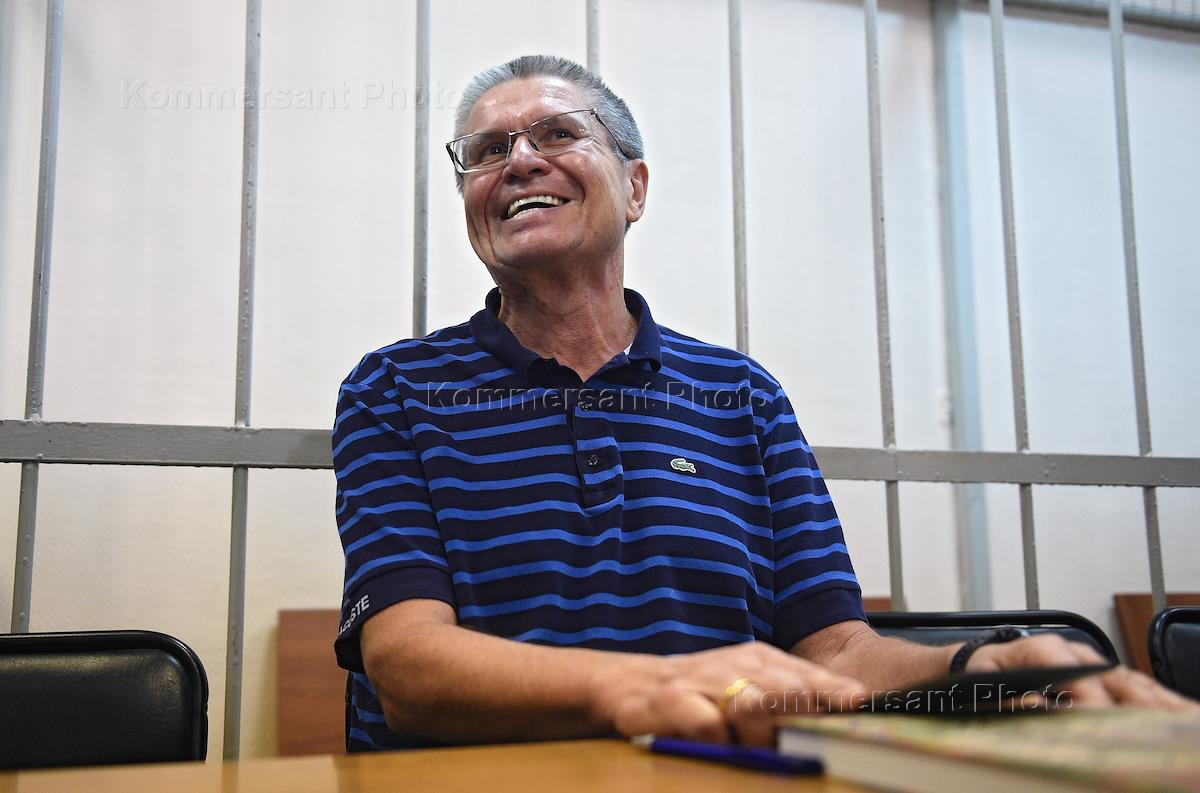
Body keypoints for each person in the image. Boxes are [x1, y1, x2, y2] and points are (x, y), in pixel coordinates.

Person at [332, 55, 1195, 752]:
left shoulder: (742, 396)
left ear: (635, 188)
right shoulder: (399, 388)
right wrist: (654, 687)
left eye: (558, 133)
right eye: (487, 151)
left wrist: (975, 670)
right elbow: (407, 668)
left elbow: (838, 652)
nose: (519, 160)